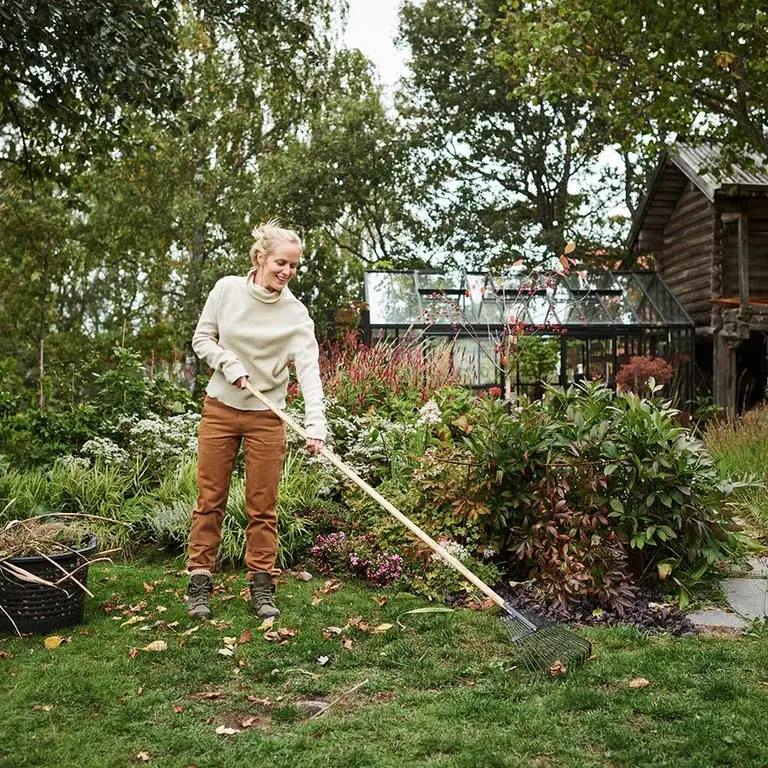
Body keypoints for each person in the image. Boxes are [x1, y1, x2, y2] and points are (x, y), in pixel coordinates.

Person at [186, 219, 327, 621]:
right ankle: (199, 585)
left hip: (268, 416)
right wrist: (229, 363)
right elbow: (202, 339)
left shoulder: (296, 315)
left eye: (294, 266)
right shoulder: (226, 290)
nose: (287, 272)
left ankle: (262, 587)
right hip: (220, 409)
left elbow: (310, 373)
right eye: (281, 263)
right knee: (209, 501)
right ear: (260, 257)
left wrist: (316, 425)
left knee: (262, 507)